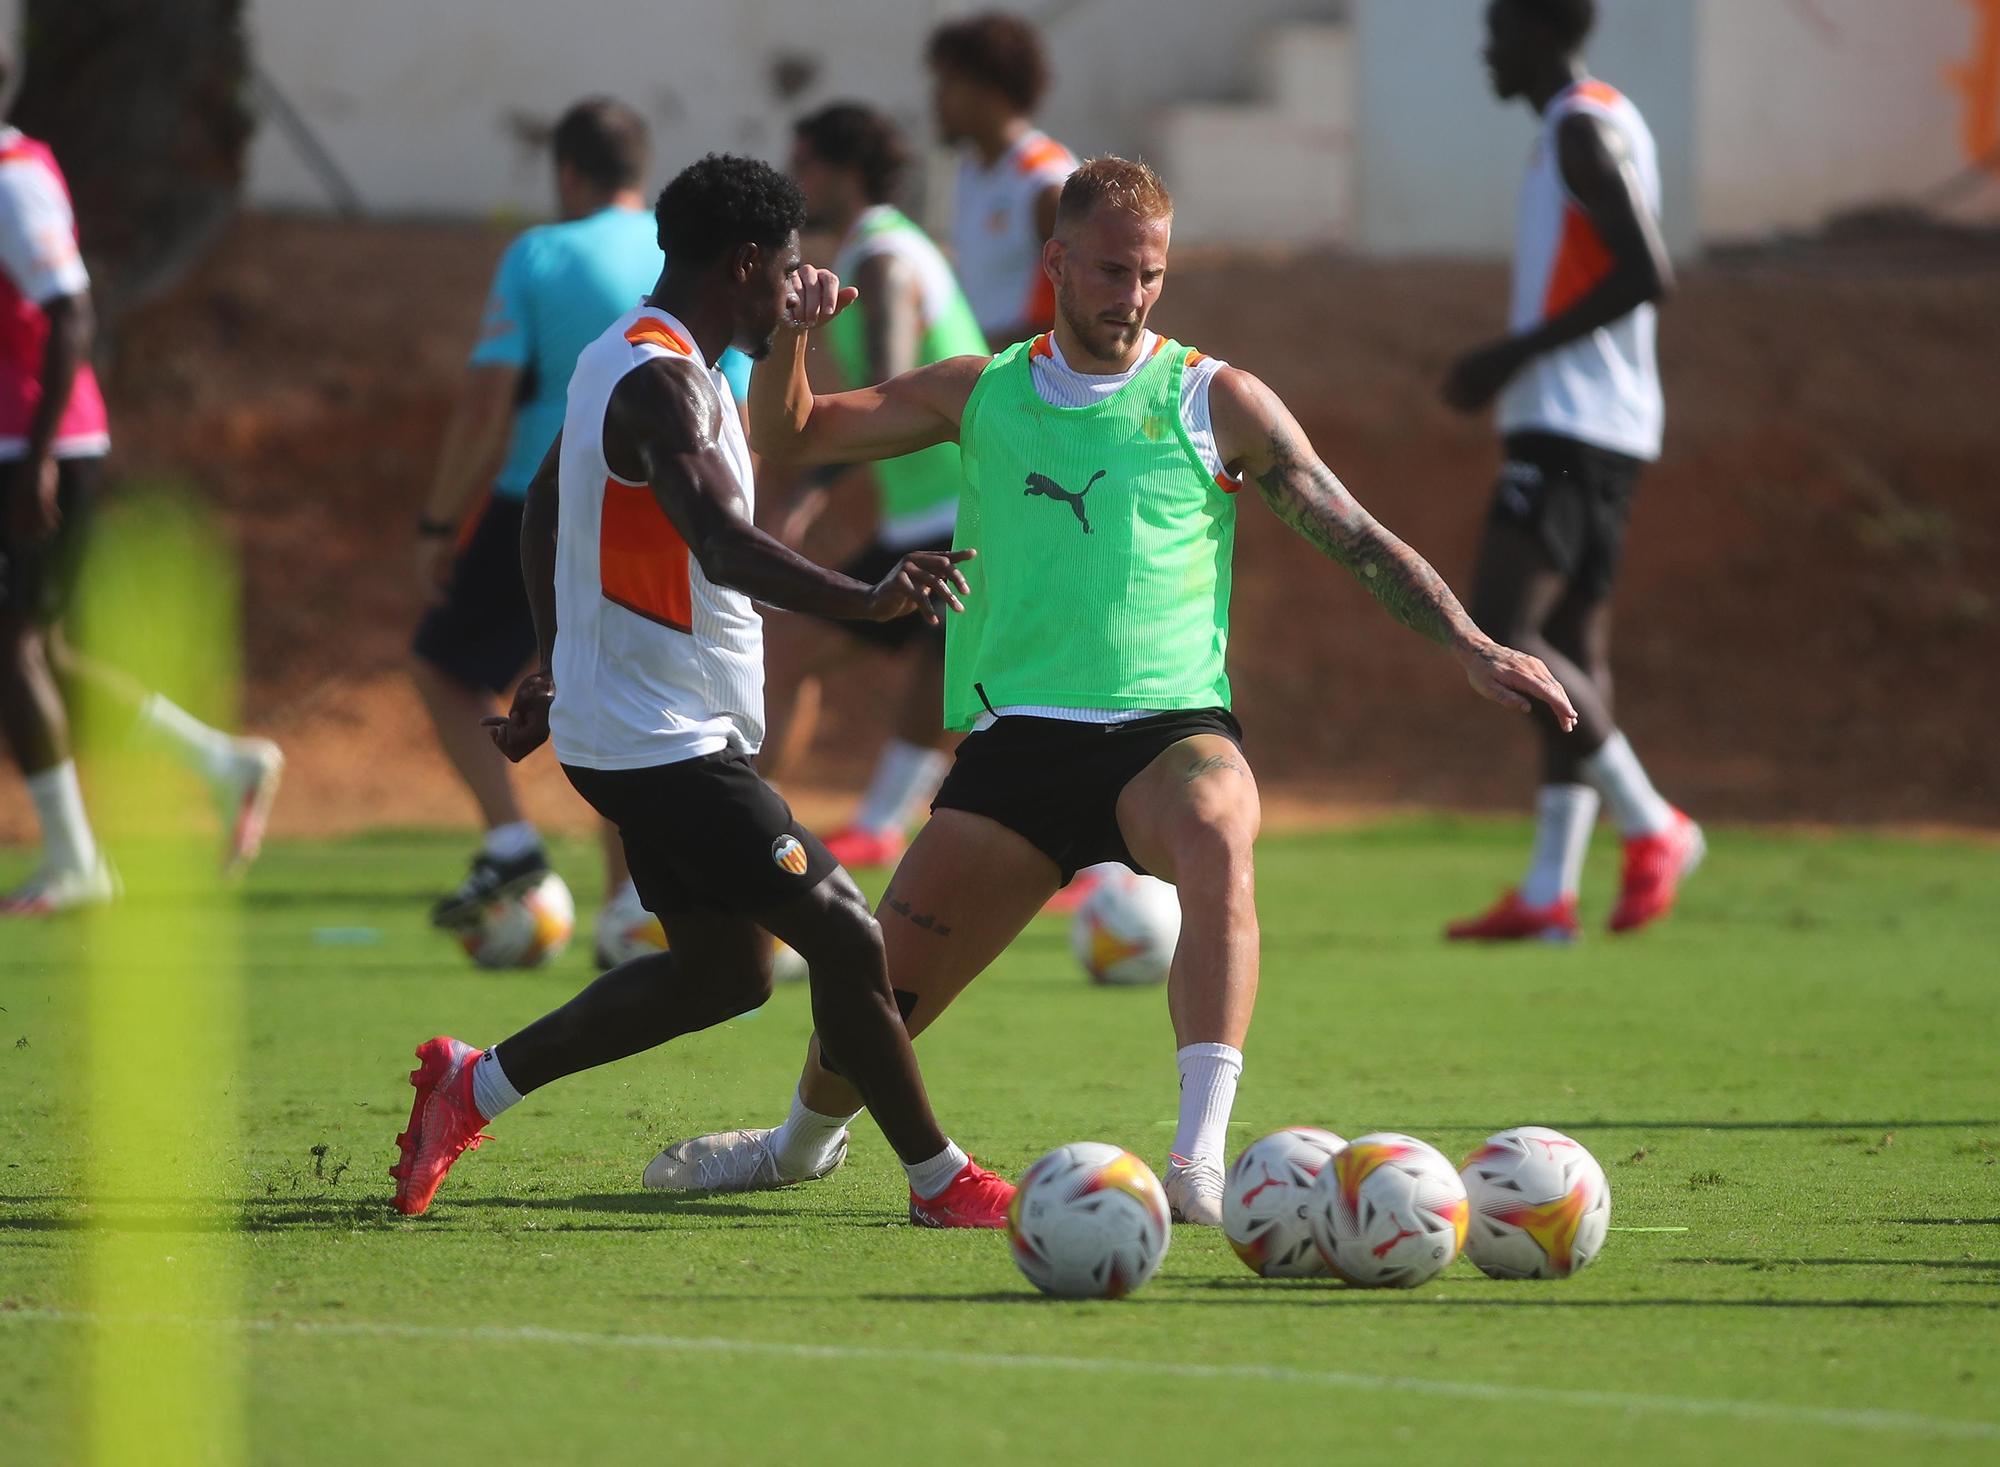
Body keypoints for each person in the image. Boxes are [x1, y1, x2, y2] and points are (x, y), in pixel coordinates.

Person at [645, 157, 1576, 1224]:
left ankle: (1195, 1161)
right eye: (1108, 271)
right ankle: (798, 1145)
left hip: (1165, 734)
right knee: (868, 1011)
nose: (1128, 296)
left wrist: (1467, 641)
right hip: (1016, 749)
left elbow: (1355, 535)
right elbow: (789, 434)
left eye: (1149, 275)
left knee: (1220, 827)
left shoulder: (1214, 399)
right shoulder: (980, 388)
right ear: (1054, 263)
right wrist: (791, 337)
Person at [390, 154, 1013, 1231]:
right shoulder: (663, 384)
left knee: (722, 977)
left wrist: (551, 659)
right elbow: (723, 543)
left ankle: (470, 1085)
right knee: (845, 935)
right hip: (659, 739)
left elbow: (545, 505)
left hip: (638, 723)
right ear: (745, 263)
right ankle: (940, 1180)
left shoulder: (624, 358)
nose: (796, 288)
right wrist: (867, 599)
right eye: (786, 271)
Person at [412, 97, 750, 963]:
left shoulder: (541, 252)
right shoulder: (697, 255)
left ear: (567, 172)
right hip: (684, 507)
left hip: (551, 497)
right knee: (641, 694)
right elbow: (740, 395)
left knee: (444, 666)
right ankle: (635, 904)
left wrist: (439, 521)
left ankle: (515, 850)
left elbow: (489, 401)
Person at [1442, 0, 1700, 943]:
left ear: (1543, 32)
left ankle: (1651, 820)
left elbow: (1647, 271)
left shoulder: (1581, 126)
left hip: (1569, 421)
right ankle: (1552, 888)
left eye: (1499, 31)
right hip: (1609, 424)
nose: (1487, 51)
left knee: (1504, 626)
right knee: (1568, 643)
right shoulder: (1596, 117)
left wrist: (1510, 356)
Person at [0, 63, 281, 916]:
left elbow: (72, 311)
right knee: (41, 654)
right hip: (20, 443)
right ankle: (218, 765)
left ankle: (77, 859)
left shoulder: (12, 176)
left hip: (34, 447)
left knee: (14, 650)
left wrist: (39, 458)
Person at [760, 103, 990, 870]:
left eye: (807, 165)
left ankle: (750, 836)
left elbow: (896, 396)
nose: (797, 182)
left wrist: (814, 478)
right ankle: (873, 822)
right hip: (935, 510)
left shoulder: (883, 260)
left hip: (958, 509)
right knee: (945, 668)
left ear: (845, 172)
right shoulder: (878, 251)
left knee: (788, 650)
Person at [928, 11, 1076, 351]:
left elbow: (1088, 309)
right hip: (988, 385)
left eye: (948, 82)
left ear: (988, 89)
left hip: (1033, 391)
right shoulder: (971, 169)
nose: (936, 98)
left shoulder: (1046, 184)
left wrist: (979, 354)